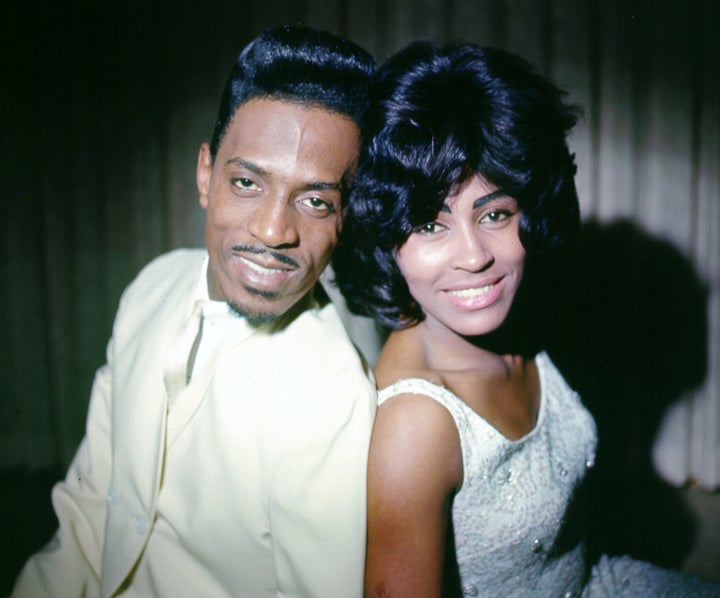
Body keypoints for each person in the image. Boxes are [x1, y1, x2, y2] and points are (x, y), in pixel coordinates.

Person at [333, 41, 720, 597]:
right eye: (429, 224)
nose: (474, 256)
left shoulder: (520, 315)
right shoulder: (413, 429)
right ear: (383, 239)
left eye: (493, 214)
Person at [13, 25, 378, 598]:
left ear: (346, 219)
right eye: (247, 182)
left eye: (315, 200)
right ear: (206, 174)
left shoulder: (336, 400)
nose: (273, 231)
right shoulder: (151, 286)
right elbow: (88, 512)